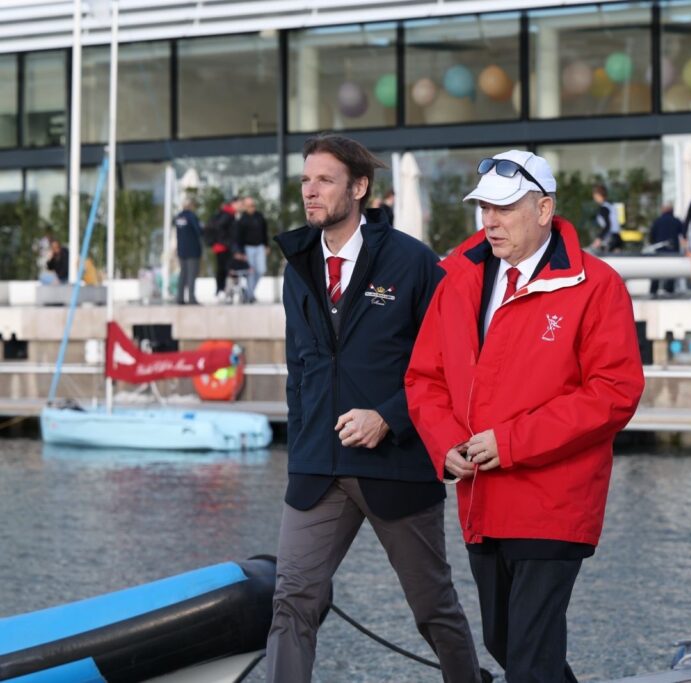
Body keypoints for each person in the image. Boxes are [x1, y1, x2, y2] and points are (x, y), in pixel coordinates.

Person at [405, 150, 645, 682]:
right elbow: (424, 378)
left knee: (530, 655)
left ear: (544, 210)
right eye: (484, 208)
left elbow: (615, 391)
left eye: (504, 207)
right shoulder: (458, 279)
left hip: (555, 499)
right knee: (506, 641)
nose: (490, 221)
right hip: (481, 498)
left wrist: (511, 442)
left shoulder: (596, 285)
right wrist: (444, 444)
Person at [266, 133, 481, 683]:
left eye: (325, 181)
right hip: (317, 466)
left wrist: (388, 416)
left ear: (359, 188)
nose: (311, 193)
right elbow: (301, 368)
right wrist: (301, 445)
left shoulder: (412, 262)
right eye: (306, 181)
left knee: (432, 608)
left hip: (397, 463)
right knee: (292, 601)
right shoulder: (297, 265)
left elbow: (448, 366)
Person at [206, 196, 241, 301]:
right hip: (222, 247)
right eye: (239, 203)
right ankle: (220, 290)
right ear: (234, 203)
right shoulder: (227, 214)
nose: (240, 206)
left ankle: (222, 290)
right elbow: (219, 228)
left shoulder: (230, 214)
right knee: (223, 269)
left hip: (224, 246)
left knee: (225, 269)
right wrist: (226, 242)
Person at [647, 202, 685, 297]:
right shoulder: (676, 221)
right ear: (672, 210)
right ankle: (669, 289)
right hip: (672, 251)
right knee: (671, 271)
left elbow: (651, 237)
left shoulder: (657, 221)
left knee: (656, 271)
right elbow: (684, 234)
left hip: (659, 250)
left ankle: (653, 290)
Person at [237, 196, 269, 303]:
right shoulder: (242, 219)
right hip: (248, 248)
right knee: (250, 272)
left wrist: (266, 245)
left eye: (253, 205)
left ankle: (248, 292)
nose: (252, 207)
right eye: (249, 206)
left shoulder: (259, 216)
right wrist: (241, 252)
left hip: (259, 246)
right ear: (245, 207)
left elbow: (265, 231)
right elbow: (239, 237)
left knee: (261, 270)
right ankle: (250, 296)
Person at [175, 198, 203, 304]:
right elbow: (199, 231)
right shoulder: (191, 217)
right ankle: (191, 298)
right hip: (192, 250)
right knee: (192, 274)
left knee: (183, 274)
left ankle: (180, 297)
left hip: (182, 250)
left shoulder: (178, 217)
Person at [590, 184, 623, 252]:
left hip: (611, 239)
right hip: (617, 237)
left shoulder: (604, 208)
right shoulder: (610, 206)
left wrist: (599, 239)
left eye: (594, 195)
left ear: (598, 195)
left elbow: (608, 226)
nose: (594, 197)